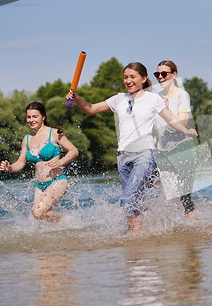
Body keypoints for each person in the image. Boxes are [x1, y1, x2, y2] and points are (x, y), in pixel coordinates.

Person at [66, 62, 197, 232]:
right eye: (125, 77)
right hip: (123, 157)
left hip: (144, 155)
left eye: (132, 77)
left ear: (143, 78)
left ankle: (136, 239)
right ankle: (143, 234)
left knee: (128, 199)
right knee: (133, 203)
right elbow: (91, 109)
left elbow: (171, 119)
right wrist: (77, 99)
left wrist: (186, 131)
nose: (128, 81)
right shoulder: (119, 98)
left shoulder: (153, 99)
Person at [0, 102, 78, 221]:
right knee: (40, 219)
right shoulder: (27, 139)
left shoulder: (54, 133)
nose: (31, 120)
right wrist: (9, 168)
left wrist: (60, 162)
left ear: (43, 117)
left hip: (57, 181)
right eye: (28, 117)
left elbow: (73, 151)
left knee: (36, 212)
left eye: (35, 116)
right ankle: (66, 227)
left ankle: (69, 219)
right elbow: (20, 163)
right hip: (39, 185)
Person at [153, 60, 198, 220]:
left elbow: (183, 123)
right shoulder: (157, 97)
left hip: (182, 149)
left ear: (174, 74)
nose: (160, 77)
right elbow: (159, 128)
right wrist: (152, 144)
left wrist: (166, 109)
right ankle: (173, 226)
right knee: (162, 191)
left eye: (164, 74)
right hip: (163, 151)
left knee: (185, 197)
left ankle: (192, 230)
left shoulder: (181, 94)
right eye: (157, 74)